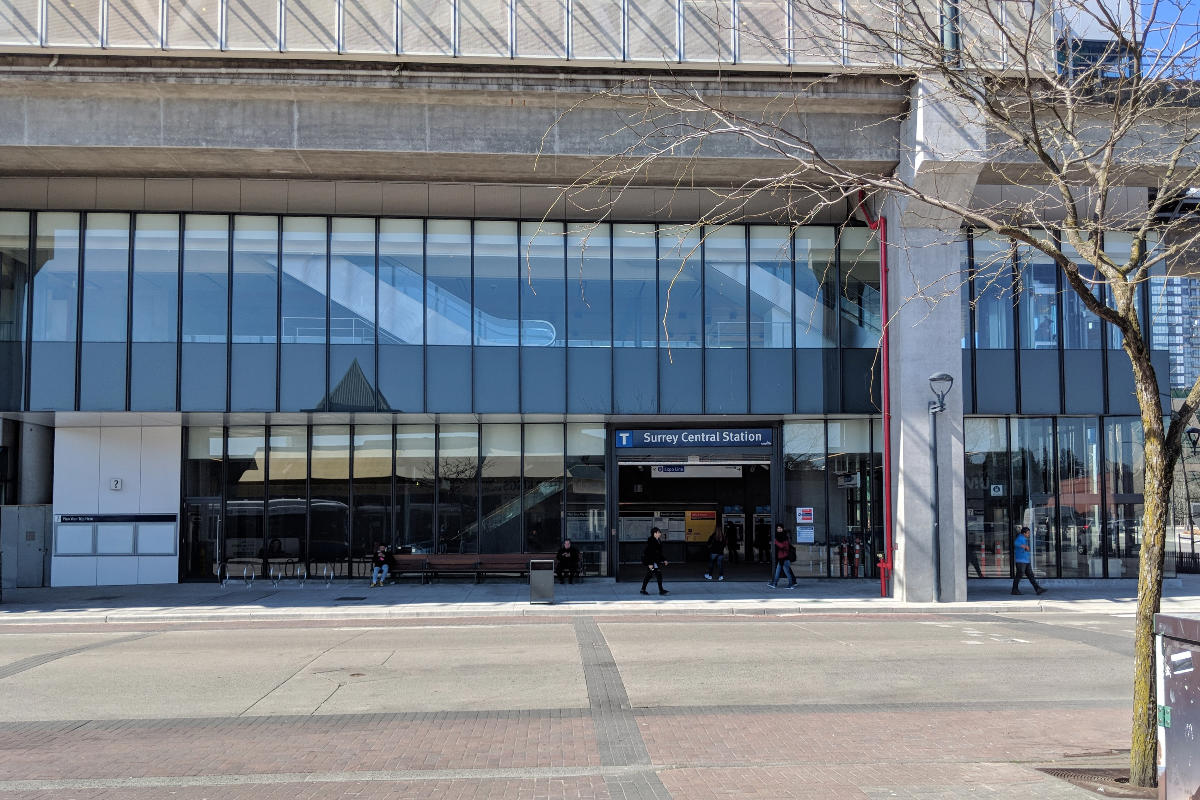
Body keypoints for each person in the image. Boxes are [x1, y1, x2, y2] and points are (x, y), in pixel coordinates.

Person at [1012, 526, 1046, 596]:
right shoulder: (1020, 537)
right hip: (1021, 561)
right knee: (1019, 575)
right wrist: (1024, 546)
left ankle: (1037, 589)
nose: (1029, 534)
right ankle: (1014, 590)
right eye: (1028, 533)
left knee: (1030, 575)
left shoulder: (1023, 538)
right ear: (1024, 533)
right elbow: (1015, 543)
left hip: (1026, 561)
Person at [640, 527, 669, 595]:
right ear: (654, 533)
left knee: (650, 575)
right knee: (657, 574)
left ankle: (643, 589)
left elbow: (659, 553)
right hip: (652, 562)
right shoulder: (651, 542)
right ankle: (660, 590)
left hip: (655, 562)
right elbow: (649, 553)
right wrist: (650, 564)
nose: (660, 534)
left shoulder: (658, 541)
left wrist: (664, 559)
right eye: (658, 532)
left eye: (660, 532)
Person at [768, 525, 796, 589]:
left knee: (787, 572)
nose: (779, 529)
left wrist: (775, 542)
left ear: (782, 529)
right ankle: (774, 584)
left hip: (785, 557)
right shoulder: (778, 536)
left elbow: (783, 546)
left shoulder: (784, 536)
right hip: (781, 557)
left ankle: (791, 585)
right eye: (778, 528)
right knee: (777, 571)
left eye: (780, 528)